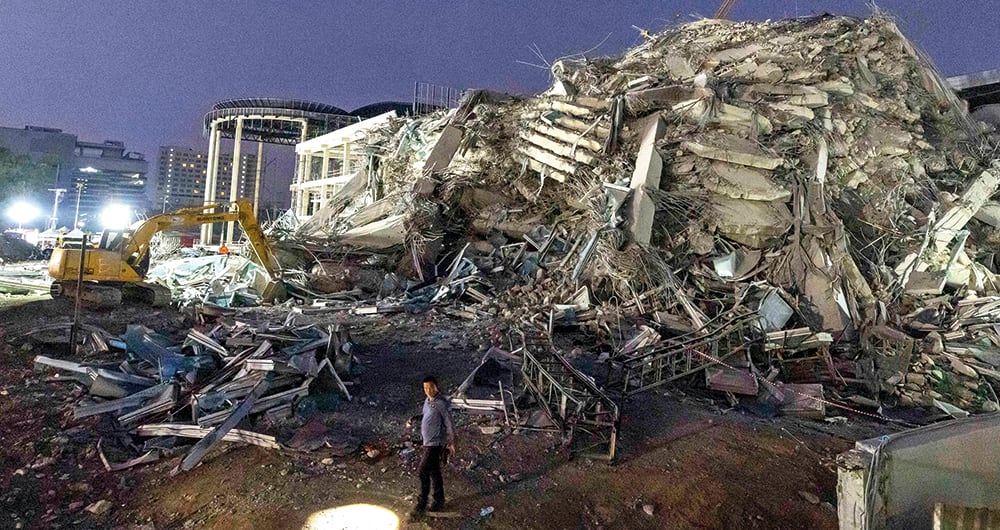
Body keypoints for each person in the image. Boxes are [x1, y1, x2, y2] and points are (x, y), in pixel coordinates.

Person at [413, 375, 454, 514]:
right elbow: (426, 416)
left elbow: (449, 423)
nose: (428, 390)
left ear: (436, 386)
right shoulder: (427, 401)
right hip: (427, 442)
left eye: (430, 387)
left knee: (423, 470)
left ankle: (422, 503)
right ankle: (439, 500)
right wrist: (414, 419)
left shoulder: (441, 403)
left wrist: (451, 442)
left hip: (435, 443)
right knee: (434, 471)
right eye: (425, 388)